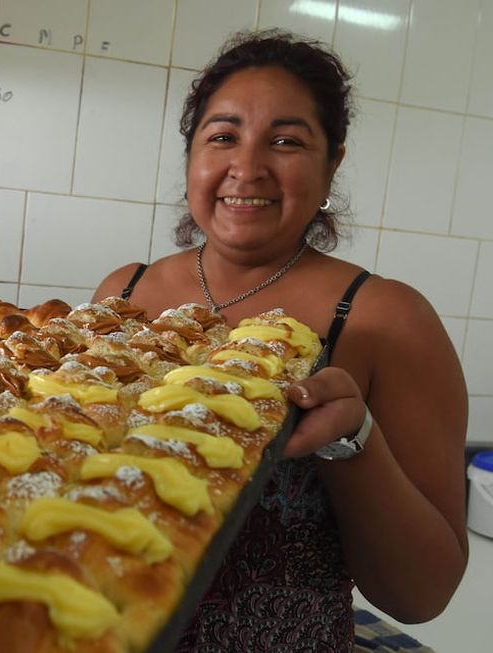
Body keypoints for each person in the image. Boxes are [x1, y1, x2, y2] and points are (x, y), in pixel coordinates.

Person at [93, 30, 469, 652]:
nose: (247, 168)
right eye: (222, 136)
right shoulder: (124, 294)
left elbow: (421, 595)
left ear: (332, 164)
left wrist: (353, 441)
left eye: (287, 141)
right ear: (191, 155)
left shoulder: (384, 319)